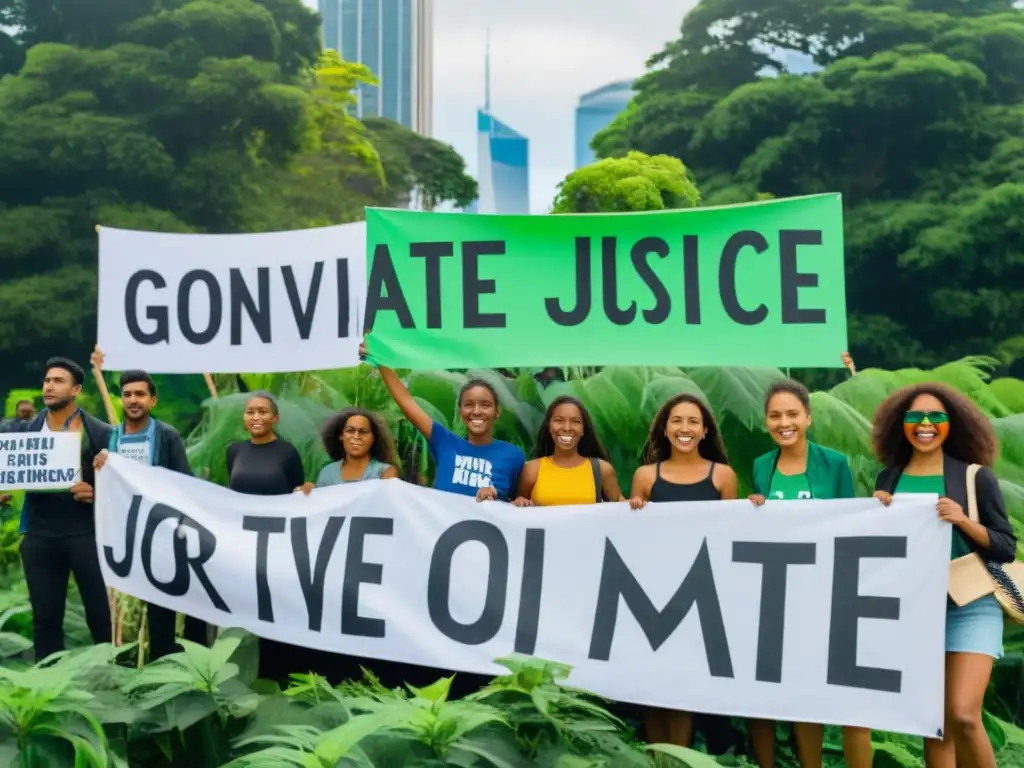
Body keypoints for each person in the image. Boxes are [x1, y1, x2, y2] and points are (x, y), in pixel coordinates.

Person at [873, 384, 1014, 768]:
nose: (925, 425)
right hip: (917, 610)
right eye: (914, 417)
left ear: (953, 424)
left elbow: (1006, 546)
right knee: (934, 724)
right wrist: (877, 513)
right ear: (900, 425)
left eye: (936, 417)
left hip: (971, 605)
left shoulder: (974, 477)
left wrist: (963, 520)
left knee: (964, 715)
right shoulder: (888, 479)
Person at [747, 379, 872, 768]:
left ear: (808, 418)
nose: (784, 422)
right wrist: (752, 507)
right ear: (766, 421)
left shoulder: (834, 463)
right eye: (775, 415)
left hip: (825, 592)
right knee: (784, 689)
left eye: (792, 414)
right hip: (776, 593)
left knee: (823, 689)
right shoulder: (761, 466)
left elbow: (850, 522)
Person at [627, 393, 738, 749]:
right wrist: (632, 510)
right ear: (665, 429)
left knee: (682, 680)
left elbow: (731, 534)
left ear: (705, 431)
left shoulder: (722, 476)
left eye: (693, 422)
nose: (684, 428)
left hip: (701, 592)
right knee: (652, 678)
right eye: (676, 421)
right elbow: (632, 535)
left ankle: (678, 756)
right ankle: (655, 756)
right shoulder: (645, 477)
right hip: (653, 591)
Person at [93, 363, 209, 660]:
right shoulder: (112, 439)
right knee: (136, 608)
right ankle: (142, 666)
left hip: (163, 534)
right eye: (128, 394)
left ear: (152, 401)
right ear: (121, 399)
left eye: (140, 394)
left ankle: (174, 663)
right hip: (128, 536)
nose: (133, 400)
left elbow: (185, 482)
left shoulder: (167, 436)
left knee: (166, 605)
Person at [19, 357, 113, 661]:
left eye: (58, 381)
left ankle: (116, 680)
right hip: (39, 537)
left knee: (101, 618)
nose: (49, 386)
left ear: (76, 390)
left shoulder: (100, 432)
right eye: (47, 380)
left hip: (86, 536)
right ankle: (50, 687)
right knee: (45, 621)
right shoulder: (25, 433)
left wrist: (97, 492)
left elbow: (124, 485)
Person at [360, 338, 525, 502]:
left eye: (485, 405)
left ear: (497, 412)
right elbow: (406, 401)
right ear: (460, 411)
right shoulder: (444, 441)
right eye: (469, 404)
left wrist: (508, 500)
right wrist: (380, 359)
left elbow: (520, 502)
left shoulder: (514, 455)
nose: (476, 411)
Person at [225, 392, 307, 685]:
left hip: (278, 547)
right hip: (243, 547)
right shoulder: (234, 451)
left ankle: (278, 677)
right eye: (250, 412)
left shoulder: (287, 453)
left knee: (276, 611)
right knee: (245, 612)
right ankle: (243, 676)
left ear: (275, 418)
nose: (256, 417)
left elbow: (299, 494)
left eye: (262, 412)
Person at [513, 395, 622, 506]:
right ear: (549, 427)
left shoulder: (602, 469)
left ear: (583, 429)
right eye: (559, 420)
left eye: (575, 422)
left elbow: (622, 508)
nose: (567, 428)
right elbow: (519, 507)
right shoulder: (532, 470)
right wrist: (520, 501)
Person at [308, 407, 400, 489]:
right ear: (341, 436)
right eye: (350, 431)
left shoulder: (386, 472)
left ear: (374, 438)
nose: (356, 436)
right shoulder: (327, 473)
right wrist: (307, 493)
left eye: (363, 431)